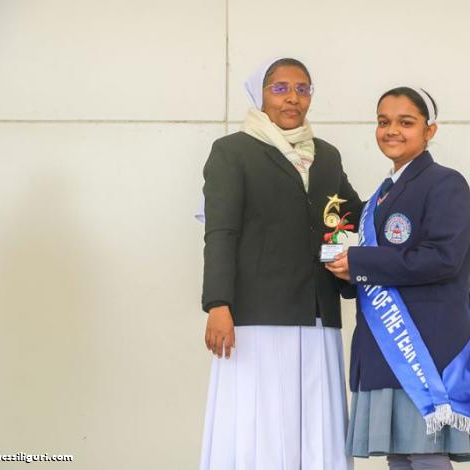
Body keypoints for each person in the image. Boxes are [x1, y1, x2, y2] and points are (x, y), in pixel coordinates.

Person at [198, 57, 361, 470]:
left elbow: (345, 218)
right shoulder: (232, 152)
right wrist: (218, 304)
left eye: (302, 89)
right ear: (260, 95)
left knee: (316, 430)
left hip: (318, 315)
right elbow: (221, 233)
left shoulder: (327, 156)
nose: (293, 98)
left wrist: (401, 208)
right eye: (281, 88)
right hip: (256, 317)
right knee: (261, 428)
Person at [326, 87, 470, 469]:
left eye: (406, 122)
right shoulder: (380, 197)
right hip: (385, 345)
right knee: (399, 457)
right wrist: (346, 268)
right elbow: (376, 264)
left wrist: (360, 261)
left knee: (425, 455)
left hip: (427, 346)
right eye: (383, 122)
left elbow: (443, 258)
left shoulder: (446, 183)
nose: (392, 130)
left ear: (430, 130)